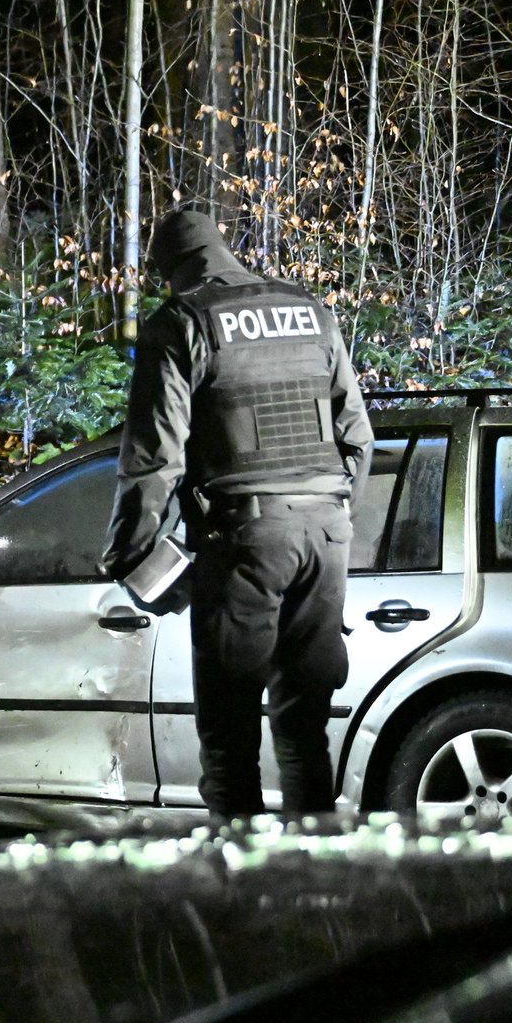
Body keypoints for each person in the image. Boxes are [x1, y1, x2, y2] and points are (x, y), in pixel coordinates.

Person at [103, 209, 373, 822]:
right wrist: (328, 515)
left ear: (169, 269)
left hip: (246, 537)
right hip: (326, 536)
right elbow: (357, 437)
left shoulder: (182, 321)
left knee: (229, 740)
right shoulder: (311, 311)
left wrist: (131, 553)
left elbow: (154, 458)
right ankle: (319, 891)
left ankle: (239, 898)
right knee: (305, 731)